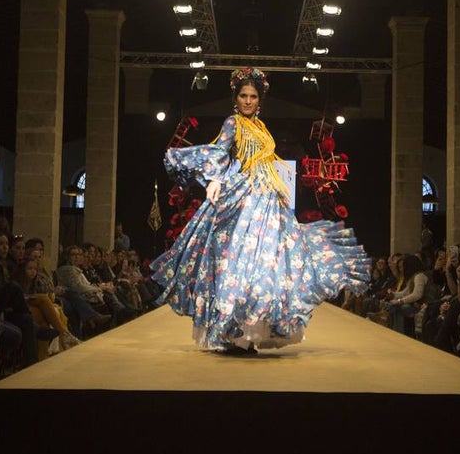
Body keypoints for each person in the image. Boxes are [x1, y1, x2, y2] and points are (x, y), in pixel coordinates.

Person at [150, 67, 369, 352]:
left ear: (259, 99)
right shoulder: (233, 123)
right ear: (236, 98)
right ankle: (234, 333)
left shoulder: (261, 127)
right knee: (240, 262)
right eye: (243, 96)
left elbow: (267, 160)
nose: (248, 101)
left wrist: (279, 191)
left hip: (267, 196)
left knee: (266, 263)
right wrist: (215, 179)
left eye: (253, 96)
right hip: (244, 196)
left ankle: (251, 334)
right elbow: (221, 151)